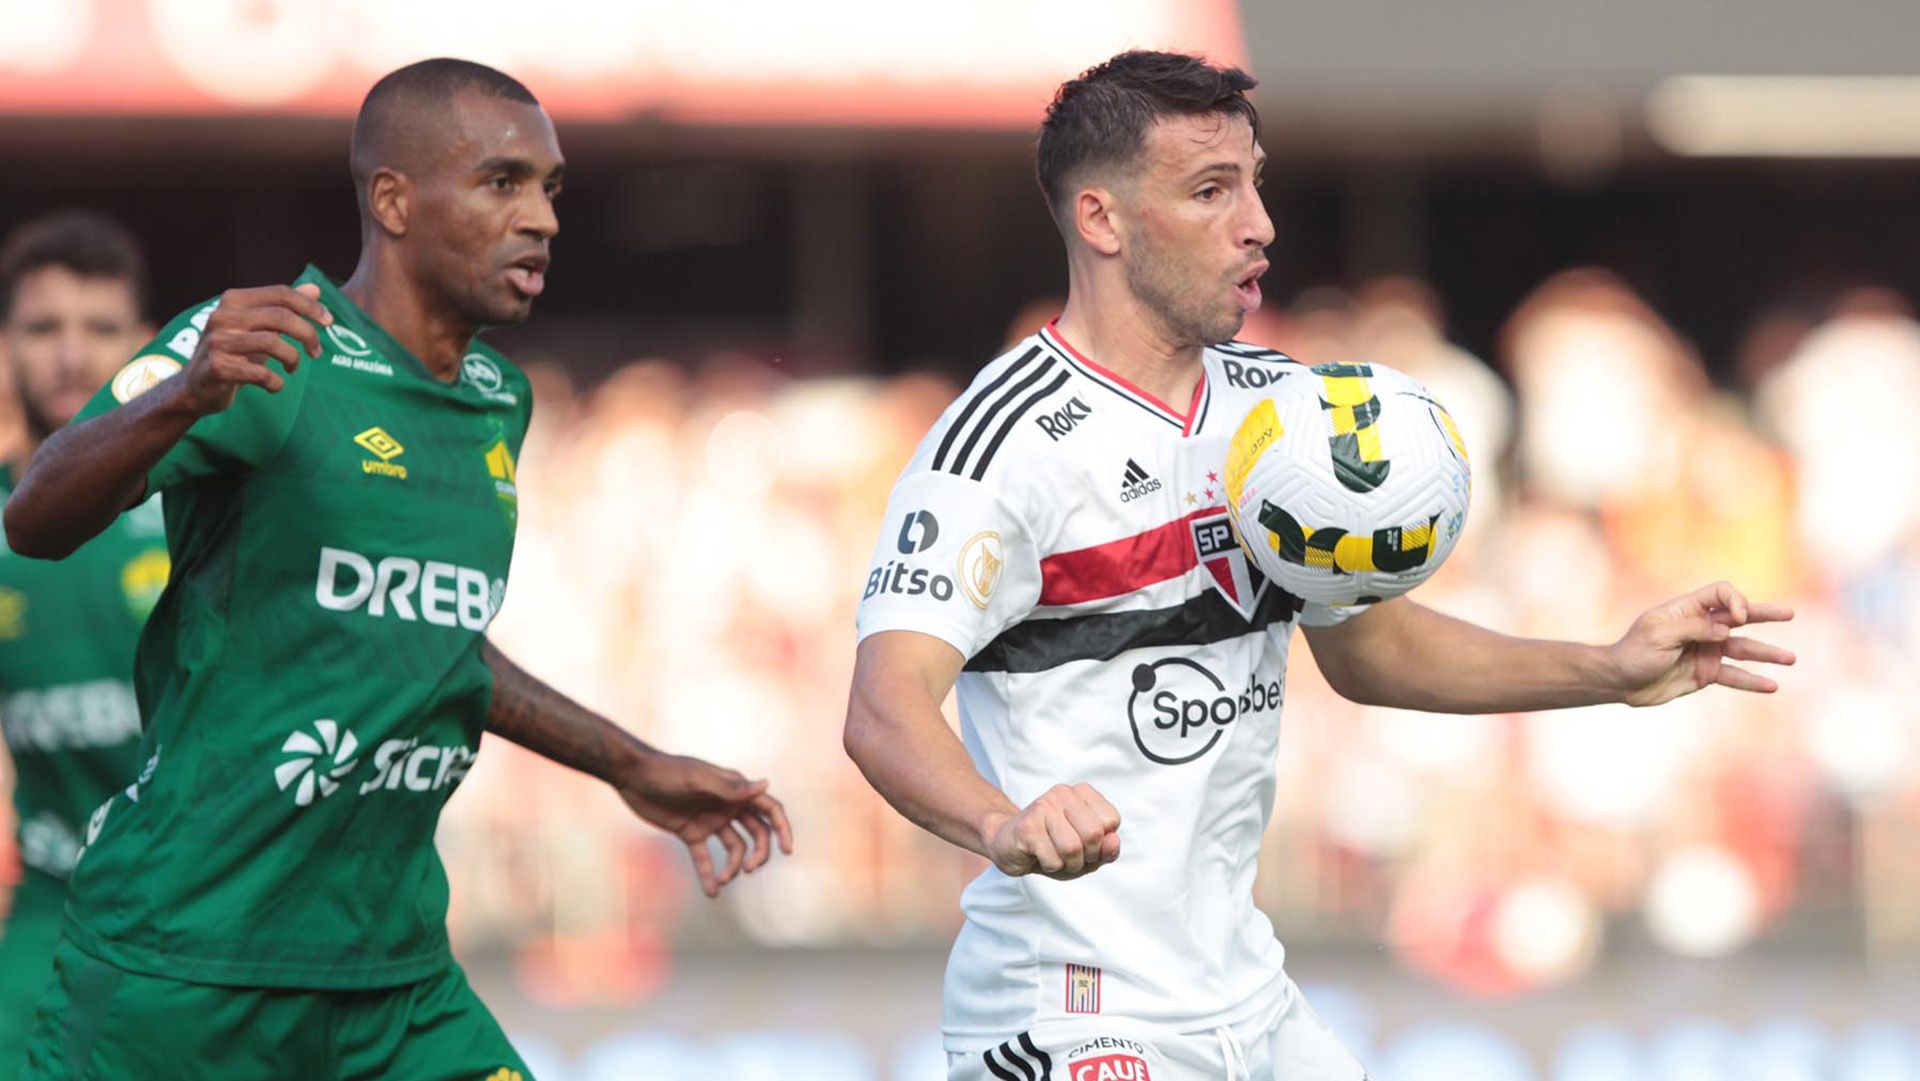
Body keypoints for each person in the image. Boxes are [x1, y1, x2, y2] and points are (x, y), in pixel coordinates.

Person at [842, 50, 1793, 1081]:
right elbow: (884, 706)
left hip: (1249, 1000)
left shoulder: (1281, 413)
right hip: (1071, 1010)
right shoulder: (1001, 444)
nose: (1259, 224)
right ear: (1103, 221)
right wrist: (1004, 820)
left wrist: (1607, 668)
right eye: (1211, 191)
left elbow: (1368, 650)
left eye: (1256, 181)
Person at [3, 59, 792, 1081]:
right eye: (502, 182)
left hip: (394, 982)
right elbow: (35, 515)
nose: (542, 218)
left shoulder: (498, 402)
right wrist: (178, 397)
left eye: (549, 188)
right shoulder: (268, 348)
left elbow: (430, 643)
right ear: (394, 200)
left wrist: (629, 763)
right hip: (188, 970)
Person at [0, 212, 166, 1081]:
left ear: (146, 345)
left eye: (99, 328)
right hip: (52, 910)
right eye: (43, 327)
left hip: (208, 920)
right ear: (5, 344)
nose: (70, 354)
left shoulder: (206, 509)